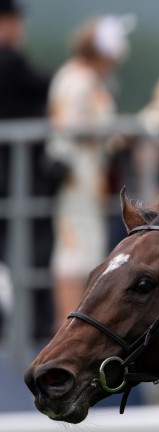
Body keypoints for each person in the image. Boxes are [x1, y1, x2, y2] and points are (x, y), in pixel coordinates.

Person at [45, 14, 134, 331]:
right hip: (78, 175)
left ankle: (72, 322)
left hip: (87, 176)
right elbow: (71, 127)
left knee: (81, 247)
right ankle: (69, 322)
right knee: (75, 249)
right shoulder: (79, 81)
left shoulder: (78, 78)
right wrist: (110, 132)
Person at [0, 0, 55, 339]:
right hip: (17, 182)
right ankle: (34, 333)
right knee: (31, 259)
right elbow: (46, 84)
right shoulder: (10, 63)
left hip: (13, 183)